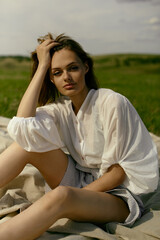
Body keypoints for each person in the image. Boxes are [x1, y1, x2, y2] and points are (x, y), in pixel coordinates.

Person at [0, 33, 159, 240]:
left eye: (72, 68)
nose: (66, 77)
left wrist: (71, 196)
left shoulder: (112, 103)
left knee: (61, 196)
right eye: (57, 72)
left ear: (86, 67)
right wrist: (42, 66)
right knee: (25, 145)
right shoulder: (61, 110)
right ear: (52, 78)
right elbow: (23, 124)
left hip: (116, 196)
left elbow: (118, 173)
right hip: (78, 179)